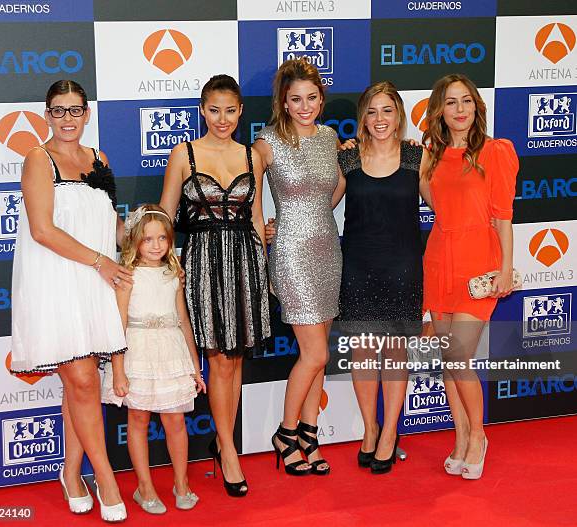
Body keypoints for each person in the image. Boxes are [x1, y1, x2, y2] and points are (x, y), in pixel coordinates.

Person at [10, 80, 131, 522]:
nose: (67, 119)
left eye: (75, 110)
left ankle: (71, 473)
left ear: (87, 113)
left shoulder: (99, 159)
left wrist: (145, 235)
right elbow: (42, 230)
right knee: (82, 380)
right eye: (58, 111)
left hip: (96, 281)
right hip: (56, 282)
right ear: (46, 114)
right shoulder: (37, 160)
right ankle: (108, 480)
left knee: (78, 385)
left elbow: (111, 223)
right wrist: (101, 260)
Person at [160, 75, 270, 497]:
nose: (221, 119)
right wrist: (164, 269)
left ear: (240, 112)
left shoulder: (252, 156)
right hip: (204, 263)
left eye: (230, 110)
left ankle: (224, 443)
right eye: (213, 109)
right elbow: (166, 218)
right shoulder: (184, 154)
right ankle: (228, 451)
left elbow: (257, 219)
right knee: (219, 360)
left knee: (236, 360)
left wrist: (267, 270)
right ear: (202, 110)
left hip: (246, 263)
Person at [422, 73, 518, 480]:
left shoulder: (495, 152)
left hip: (478, 264)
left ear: (477, 107)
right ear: (439, 111)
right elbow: (434, 201)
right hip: (439, 260)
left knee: (459, 354)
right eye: (450, 102)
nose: (459, 110)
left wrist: (505, 269)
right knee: (448, 358)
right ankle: (460, 438)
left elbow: (503, 218)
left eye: (466, 101)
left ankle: (478, 436)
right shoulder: (432, 154)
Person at [253, 58, 345, 476]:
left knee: (318, 357)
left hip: (328, 249)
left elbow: (334, 190)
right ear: (283, 103)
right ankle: (286, 434)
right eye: (296, 99)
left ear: (321, 100)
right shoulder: (266, 142)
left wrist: (317, 210)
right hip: (291, 252)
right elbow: (250, 198)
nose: (304, 106)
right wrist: (263, 233)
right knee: (316, 352)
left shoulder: (329, 138)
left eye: (311, 98)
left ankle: (310, 436)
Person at [337, 81, 431, 474]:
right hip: (357, 265)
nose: (379, 119)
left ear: (399, 116)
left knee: (395, 351)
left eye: (387, 110)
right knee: (363, 351)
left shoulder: (417, 156)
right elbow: (320, 205)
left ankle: (390, 432)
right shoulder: (348, 158)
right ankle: (370, 429)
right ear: (363, 118)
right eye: (372, 111)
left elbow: (442, 202)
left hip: (402, 267)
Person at [101, 204, 206, 513]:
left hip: (171, 352)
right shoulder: (127, 275)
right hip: (136, 352)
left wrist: (194, 366)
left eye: (163, 238)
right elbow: (118, 324)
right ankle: (144, 487)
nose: (157, 245)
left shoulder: (174, 273)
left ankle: (181, 482)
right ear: (134, 240)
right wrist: (118, 370)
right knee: (138, 419)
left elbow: (183, 320)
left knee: (175, 420)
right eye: (148, 239)